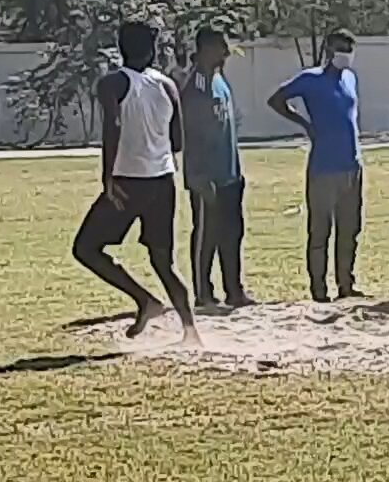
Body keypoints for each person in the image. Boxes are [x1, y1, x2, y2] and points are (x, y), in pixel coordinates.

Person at [71, 22, 198, 344]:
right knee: (163, 260)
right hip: (163, 180)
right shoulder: (168, 85)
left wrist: (108, 176)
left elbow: (112, 126)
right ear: (153, 50)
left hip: (130, 180)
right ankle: (190, 331)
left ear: (120, 46)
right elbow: (178, 141)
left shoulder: (112, 83)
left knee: (86, 248)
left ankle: (145, 300)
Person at [267, 29, 365, 302]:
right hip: (323, 167)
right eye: (339, 48)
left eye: (349, 48)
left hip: (352, 164)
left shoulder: (350, 78)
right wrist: (305, 125)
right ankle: (319, 289)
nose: (344, 53)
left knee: (350, 229)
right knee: (320, 231)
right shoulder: (311, 79)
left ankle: (346, 284)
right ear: (329, 50)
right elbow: (276, 99)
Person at [181, 28, 253, 310]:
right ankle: (203, 292)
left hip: (230, 174)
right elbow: (192, 135)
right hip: (207, 177)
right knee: (206, 234)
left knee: (232, 233)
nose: (225, 53)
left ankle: (234, 290)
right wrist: (198, 177)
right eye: (220, 47)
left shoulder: (220, 81)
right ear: (204, 50)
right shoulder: (196, 87)